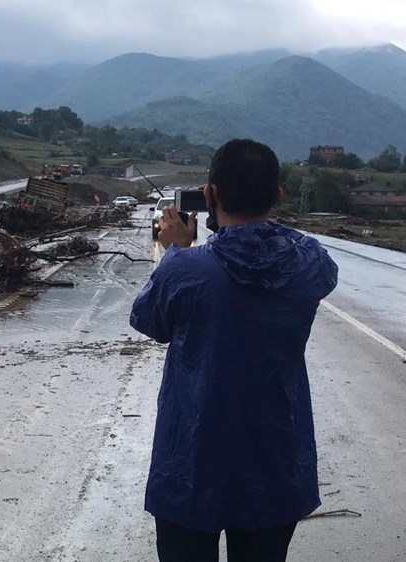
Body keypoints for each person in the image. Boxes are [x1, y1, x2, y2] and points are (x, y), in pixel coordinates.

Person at [130, 139, 339, 562]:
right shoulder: (309, 263)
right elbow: (310, 257)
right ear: (278, 197)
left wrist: (176, 250)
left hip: (189, 462)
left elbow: (149, 321)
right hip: (275, 462)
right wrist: (248, 230)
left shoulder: (186, 268)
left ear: (209, 197)